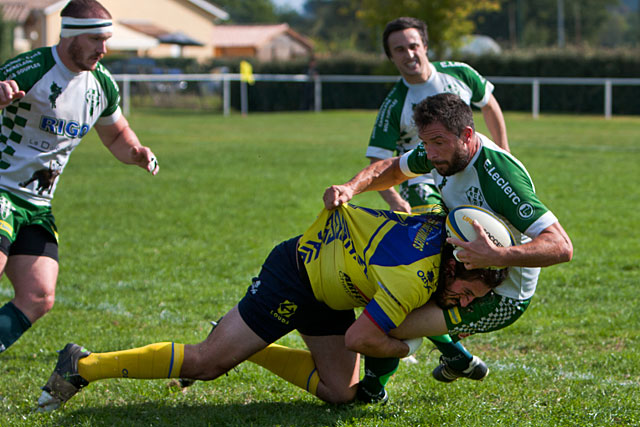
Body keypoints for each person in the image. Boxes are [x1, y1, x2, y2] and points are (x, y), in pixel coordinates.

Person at [36, 203, 507, 411]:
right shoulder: (415, 277)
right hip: (296, 274)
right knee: (208, 364)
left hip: (333, 288)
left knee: (341, 394)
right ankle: (84, 366)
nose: (463, 301)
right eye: (466, 290)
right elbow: (360, 339)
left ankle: (254, 348)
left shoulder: (440, 229)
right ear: (456, 260)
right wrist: (406, 349)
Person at [324, 93, 573, 398]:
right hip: (461, 264)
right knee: (387, 291)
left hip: (503, 295)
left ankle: (373, 391)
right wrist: (350, 188)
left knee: (388, 323)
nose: (430, 153)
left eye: (438, 142)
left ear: (467, 135)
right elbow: (390, 168)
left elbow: (561, 245)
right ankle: (456, 356)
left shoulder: (498, 177)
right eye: (425, 143)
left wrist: (497, 255)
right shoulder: (440, 153)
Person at [0, 0, 159, 354]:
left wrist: (137, 153)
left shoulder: (101, 85)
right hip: (1, 189)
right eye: (95, 40)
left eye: (107, 40)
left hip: (37, 204)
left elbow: (116, 135)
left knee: (38, 296)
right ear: (71, 35)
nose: (103, 49)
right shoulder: (32, 67)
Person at [367, 17, 509, 214]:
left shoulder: (459, 73)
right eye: (399, 50)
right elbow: (377, 159)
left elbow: (489, 105)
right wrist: (394, 200)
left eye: (413, 46)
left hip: (468, 170)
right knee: (436, 235)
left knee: (486, 230)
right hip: (420, 180)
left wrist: (504, 151)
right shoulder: (394, 105)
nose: (409, 54)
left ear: (425, 46)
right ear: (391, 56)